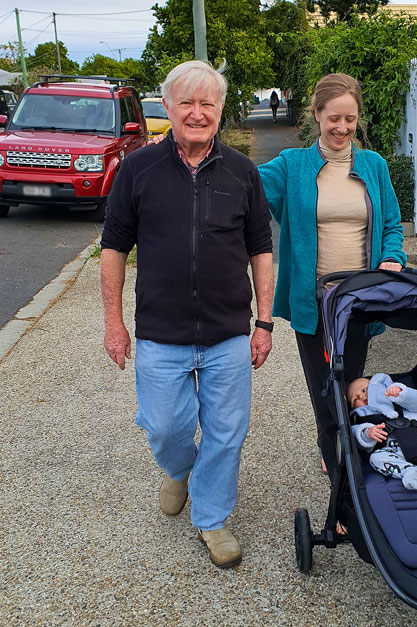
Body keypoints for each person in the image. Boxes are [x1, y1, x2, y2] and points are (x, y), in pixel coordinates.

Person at [100, 60, 274, 570]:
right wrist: (114, 323)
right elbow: (112, 248)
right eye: (187, 103)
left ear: (220, 110)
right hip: (161, 333)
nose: (197, 113)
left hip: (227, 334)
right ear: (168, 108)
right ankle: (179, 469)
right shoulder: (138, 170)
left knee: (227, 431)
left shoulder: (242, 172)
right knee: (165, 428)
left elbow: (261, 247)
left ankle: (213, 519)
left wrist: (263, 322)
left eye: (208, 104)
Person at [257, 73, 407, 479]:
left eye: (350, 119)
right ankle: (333, 450)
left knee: (351, 384)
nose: (342, 128)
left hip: (360, 299)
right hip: (313, 301)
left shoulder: (373, 166)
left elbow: (392, 224)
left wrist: (392, 257)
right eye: (333, 118)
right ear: (317, 115)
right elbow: (246, 187)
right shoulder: (292, 165)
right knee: (323, 386)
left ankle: (354, 442)